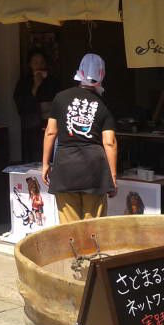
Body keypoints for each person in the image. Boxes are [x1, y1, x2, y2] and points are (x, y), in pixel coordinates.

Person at [42, 53, 118, 223]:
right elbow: (109, 142)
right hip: (95, 171)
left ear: (80, 72)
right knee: (94, 227)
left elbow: (50, 132)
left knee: (70, 228)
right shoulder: (103, 104)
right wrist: (112, 176)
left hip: (65, 168)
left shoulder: (60, 97)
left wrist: (45, 163)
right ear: (102, 74)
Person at [13, 49, 58, 163]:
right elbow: (21, 104)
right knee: (33, 158)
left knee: (51, 156)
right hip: (31, 128)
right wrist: (35, 86)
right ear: (30, 64)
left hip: (49, 124)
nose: (39, 66)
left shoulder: (52, 81)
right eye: (35, 62)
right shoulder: (24, 82)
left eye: (42, 62)